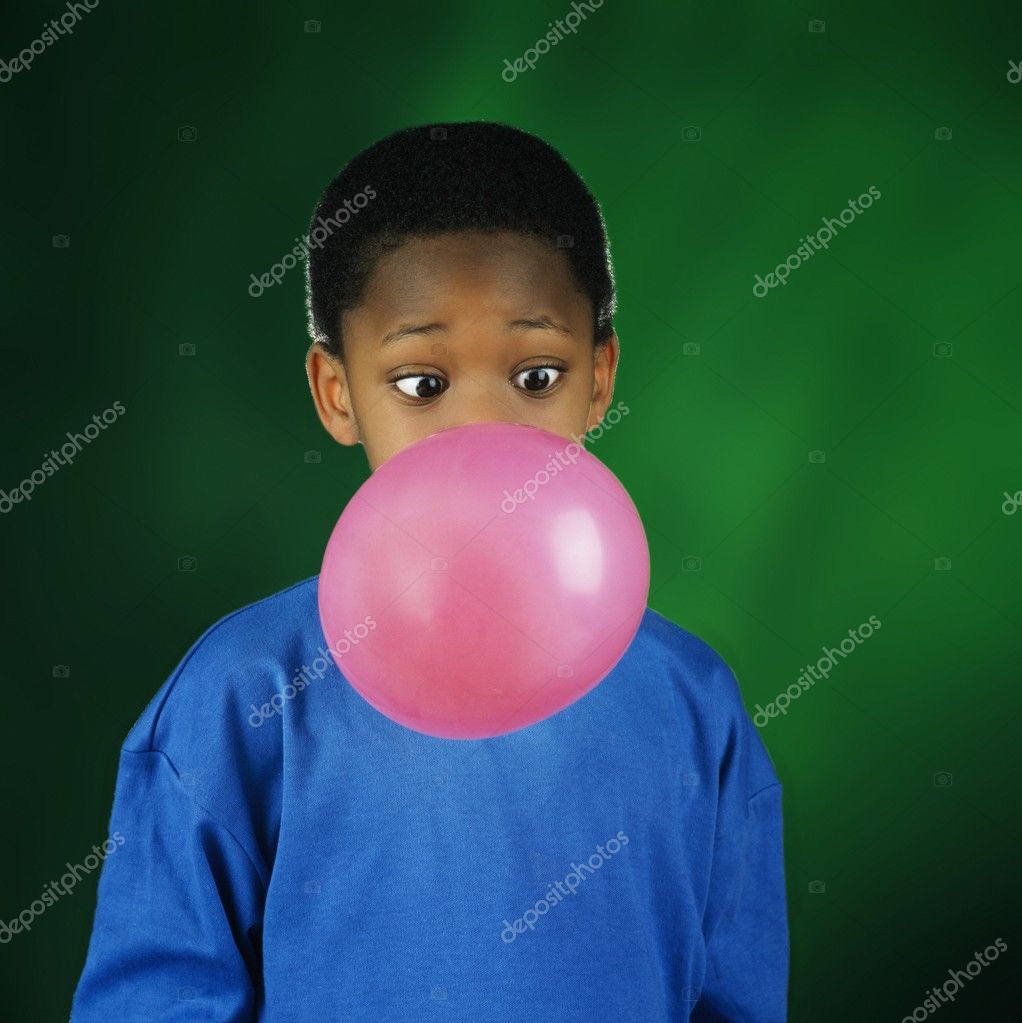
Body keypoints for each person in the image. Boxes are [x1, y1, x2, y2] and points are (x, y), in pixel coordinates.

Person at [70, 121, 788, 1021]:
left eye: (536, 375)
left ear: (599, 378)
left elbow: (736, 1000)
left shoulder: (694, 700)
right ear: (338, 392)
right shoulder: (245, 689)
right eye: (420, 382)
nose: (481, 427)